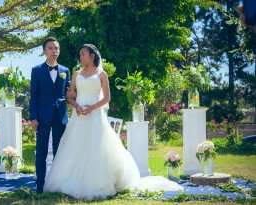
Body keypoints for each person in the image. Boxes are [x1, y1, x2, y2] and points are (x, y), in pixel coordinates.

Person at [43, 44, 183, 200]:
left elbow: (107, 98)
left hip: (96, 117)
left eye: (83, 54)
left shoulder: (101, 74)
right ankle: (69, 183)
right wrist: (76, 106)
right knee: (74, 148)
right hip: (79, 117)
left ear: (92, 55)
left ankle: (99, 183)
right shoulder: (76, 74)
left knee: (98, 149)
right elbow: (70, 96)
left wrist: (92, 108)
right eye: (80, 55)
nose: (80, 57)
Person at [29, 37, 70, 194]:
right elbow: (34, 96)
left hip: (60, 116)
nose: (54, 51)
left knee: (60, 152)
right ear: (44, 51)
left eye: (57, 48)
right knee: (41, 151)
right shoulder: (36, 70)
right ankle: (40, 185)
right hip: (42, 116)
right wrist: (33, 117)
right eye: (51, 48)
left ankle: (58, 184)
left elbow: (68, 92)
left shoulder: (65, 71)